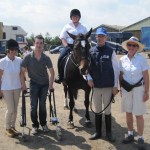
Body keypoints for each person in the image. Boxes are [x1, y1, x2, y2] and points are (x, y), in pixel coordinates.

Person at [87, 27, 119, 141]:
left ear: (106, 38)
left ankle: (109, 133)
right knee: (97, 109)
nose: (100, 38)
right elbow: (86, 69)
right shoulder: (91, 51)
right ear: (96, 37)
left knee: (108, 110)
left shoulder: (111, 51)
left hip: (108, 86)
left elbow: (116, 69)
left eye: (102, 36)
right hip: (96, 86)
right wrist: (89, 78)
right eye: (98, 36)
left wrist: (116, 86)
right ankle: (98, 132)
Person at [21, 35, 55, 135]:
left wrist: (50, 85)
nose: (39, 45)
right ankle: (35, 126)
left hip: (44, 84)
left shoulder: (46, 58)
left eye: (41, 43)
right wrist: (23, 85)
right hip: (34, 84)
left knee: (42, 105)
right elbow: (22, 72)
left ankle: (43, 124)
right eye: (37, 43)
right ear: (34, 44)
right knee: (33, 105)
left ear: (43, 45)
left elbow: (52, 73)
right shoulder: (27, 57)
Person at [119, 36, 149, 146]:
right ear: (127, 46)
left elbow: (146, 76)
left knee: (139, 114)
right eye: (129, 45)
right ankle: (130, 134)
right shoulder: (122, 60)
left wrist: (146, 91)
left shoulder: (142, 59)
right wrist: (121, 88)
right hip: (126, 90)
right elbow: (121, 75)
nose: (131, 47)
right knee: (128, 113)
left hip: (139, 89)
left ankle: (140, 137)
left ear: (137, 47)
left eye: (134, 45)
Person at [55, 9, 87, 84]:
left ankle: (89, 74)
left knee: (89, 58)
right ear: (71, 17)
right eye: (73, 16)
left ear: (79, 17)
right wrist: (66, 46)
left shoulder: (83, 27)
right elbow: (63, 38)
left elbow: (87, 38)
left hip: (80, 47)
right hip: (68, 46)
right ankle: (60, 76)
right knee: (60, 58)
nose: (75, 17)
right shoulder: (67, 26)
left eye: (76, 16)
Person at [0, 39, 22, 137]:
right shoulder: (2, 62)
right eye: (12, 49)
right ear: (7, 50)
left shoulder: (19, 60)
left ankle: (13, 127)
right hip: (6, 88)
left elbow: (22, 74)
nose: (14, 51)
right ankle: (7, 127)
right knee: (10, 109)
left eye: (15, 49)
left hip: (17, 87)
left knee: (16, 109)